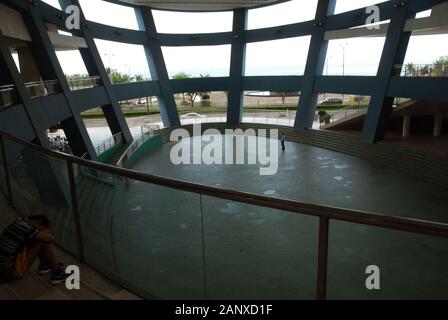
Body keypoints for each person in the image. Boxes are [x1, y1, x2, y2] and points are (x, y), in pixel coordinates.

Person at [0, 215, 68, 285]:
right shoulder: (25, 227)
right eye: (40, 229)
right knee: (43, 242)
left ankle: (45, 265)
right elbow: (51, 238)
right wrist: (45, 232)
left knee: (37, 239)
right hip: (8, 271)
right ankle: (56, 274)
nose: (38, 230)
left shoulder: (20, 222)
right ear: (39, 222)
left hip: (3, 265)